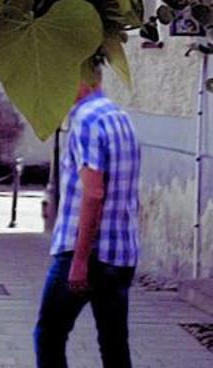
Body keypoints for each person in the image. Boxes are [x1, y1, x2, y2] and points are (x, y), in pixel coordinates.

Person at [34, 60, 141, 368]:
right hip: (120, 253)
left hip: (85, 251)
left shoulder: (85, 120)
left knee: (49, 333)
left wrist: (79, 260)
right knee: (114, 343)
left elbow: (93, 192)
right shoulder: (121, 117)